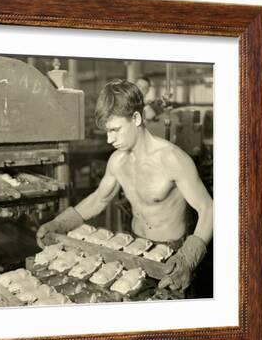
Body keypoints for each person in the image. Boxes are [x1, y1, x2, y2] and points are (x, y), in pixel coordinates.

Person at [36, 79, 213, 292]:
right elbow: (99, 198)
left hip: (172, 254)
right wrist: (60, 223)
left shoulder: (172, 159)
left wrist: (188, 257)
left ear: (136, 118)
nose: (110, 139)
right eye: (107, 132)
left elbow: (208, 209)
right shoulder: (118, 161)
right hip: (133, 247)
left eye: (115, 130)